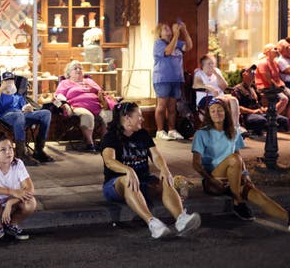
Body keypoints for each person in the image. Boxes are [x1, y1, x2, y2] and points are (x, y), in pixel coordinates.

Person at [101, 102, 201, 239]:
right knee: (127, 180)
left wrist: (164, 169)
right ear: (127, 118)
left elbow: (156, 155)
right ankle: (152, 223)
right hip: (115, 184)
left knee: (165, 178)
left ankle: (181, 219)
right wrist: (128, 170)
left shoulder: (142, 134)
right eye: (139, 116)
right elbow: (109, 161)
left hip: (143, 181)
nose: (142, 119)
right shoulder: (110, 137)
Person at [191, 98, 290, 226]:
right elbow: (196, 164)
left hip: (234, 178)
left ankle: (286, 217)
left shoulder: (234, 131)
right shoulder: (202, 133)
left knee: (258, 195)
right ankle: (238, 201)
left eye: (220, 110)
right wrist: (210, 179)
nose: (216, 113)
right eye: (213, 111)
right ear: (209, 114)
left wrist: (245, 174)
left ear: (226, 112)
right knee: (234, 159)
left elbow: (239, 155)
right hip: (215, 180)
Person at [0, 132, 36, 243]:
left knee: (31, 203)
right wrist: (11, 191)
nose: (8, 152)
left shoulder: (18, 163)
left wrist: (10, 202)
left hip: (14, 202)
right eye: (3, 150)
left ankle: (12, 224)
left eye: (10, 148)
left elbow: (30, 189)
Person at [0, 71, 53, 165]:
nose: (9, 82)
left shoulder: (18, 95)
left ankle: (39, 151)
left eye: (11, 80)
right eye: (7, 80)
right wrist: (1, 89)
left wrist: (29, 108)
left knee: (46, 113)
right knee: (19, 115)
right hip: (6, 117)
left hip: (22, 116)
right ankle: (21, 154)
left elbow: (24, 108)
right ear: (2, 82)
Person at [54, 60, 116, 152]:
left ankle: (104, 143)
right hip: (78, 107)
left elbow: (101, 92)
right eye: (75, 68)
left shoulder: (89, 81)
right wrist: (64, 104)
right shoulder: (65, 83)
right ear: (69, 73)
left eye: (80, 68)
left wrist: (104, 97)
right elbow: (58, 96)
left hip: (97, 106)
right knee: (87, 115)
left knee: (108, 114)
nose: (79, 70)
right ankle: (90, 144)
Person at [153, 20, 193, 141]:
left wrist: (184, 30)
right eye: (164, 28)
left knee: (172, 107)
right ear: (160, 34)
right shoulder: (159, 43)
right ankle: (160, 131)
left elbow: (189, 46)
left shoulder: (177, 42)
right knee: (162, 105)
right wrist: (176, 34)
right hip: (162, 79)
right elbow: (168, 51)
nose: (168, 29)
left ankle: (172, 130)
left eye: (168, 27)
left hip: (176, 79)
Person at [232, 66, 289, 136]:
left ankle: (268, 132)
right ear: (244, 74)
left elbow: (259, 103)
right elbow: (237, 107)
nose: (253, 73)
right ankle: (257, 132)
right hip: (247, 115)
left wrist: (263, 109)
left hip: (259, 113)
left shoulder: (253, 88)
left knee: (283, 120)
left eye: (254, 72)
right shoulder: (237, 89)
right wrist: (253, 111)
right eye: (250, 71)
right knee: (261, 120)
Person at [192, 54, 240, 127]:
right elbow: (196, 85)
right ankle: (227, 127)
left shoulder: (217, 71)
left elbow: (224, 87)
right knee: (221, 102)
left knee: (234, 100)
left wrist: (216, 74)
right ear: (203, 65)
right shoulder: (199, 73)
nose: (211, 66)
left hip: (220, 96)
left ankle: (235, 126)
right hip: (205, 98)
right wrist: (210, 88)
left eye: (213, 63)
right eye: (209, 63)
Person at [255, 43, 290, 119]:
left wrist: (282, 84)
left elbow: (277, 77)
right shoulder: (263, 63)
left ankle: (286, 121)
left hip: (276, 86)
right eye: (275, 49)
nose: (277, 51)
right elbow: (268, 80)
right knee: (284, 99)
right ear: (268, 52)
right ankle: (270, 118)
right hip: (266, 87)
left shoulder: (274, 62)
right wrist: (279, 87)